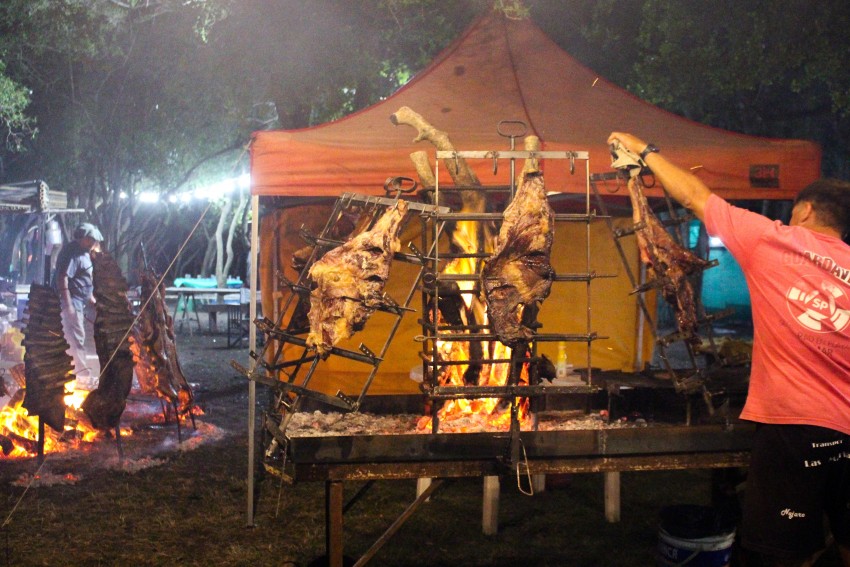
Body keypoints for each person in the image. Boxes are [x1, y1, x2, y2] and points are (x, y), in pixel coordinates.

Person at [607, 132, 850, 566]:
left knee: (778, 552)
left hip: (794, 429)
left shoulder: (774, 241)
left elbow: (696, 196)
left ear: (807, 209)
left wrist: (644, 151)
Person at [54, 222, 103, 388]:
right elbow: (63, 278)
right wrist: (68, 305)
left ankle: (80, 373)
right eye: (89, 239)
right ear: (82, 237)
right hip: (72, 301)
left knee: (79, 337)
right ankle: (82, 376)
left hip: (81, 301)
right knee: (76, 338)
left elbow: (83, 281)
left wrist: (92, 300)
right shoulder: (72, 254)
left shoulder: (85, 253)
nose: (92, 243)